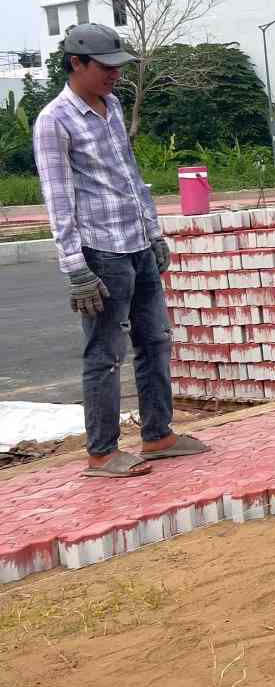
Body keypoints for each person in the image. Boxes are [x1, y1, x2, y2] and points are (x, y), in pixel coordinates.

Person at [33, 24, 210, 478]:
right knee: (105, 353)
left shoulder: (111, 107)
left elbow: (130, 179)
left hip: (136, 243)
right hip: (101, 252)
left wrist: (153, 234)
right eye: (106, 67)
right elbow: (58, 199)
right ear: (77, 64)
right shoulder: (55, 120)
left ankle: (158, 434)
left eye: (118, 67)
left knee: (155, 340)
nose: (115, 75)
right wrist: (75, 267)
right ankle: (102, 452)